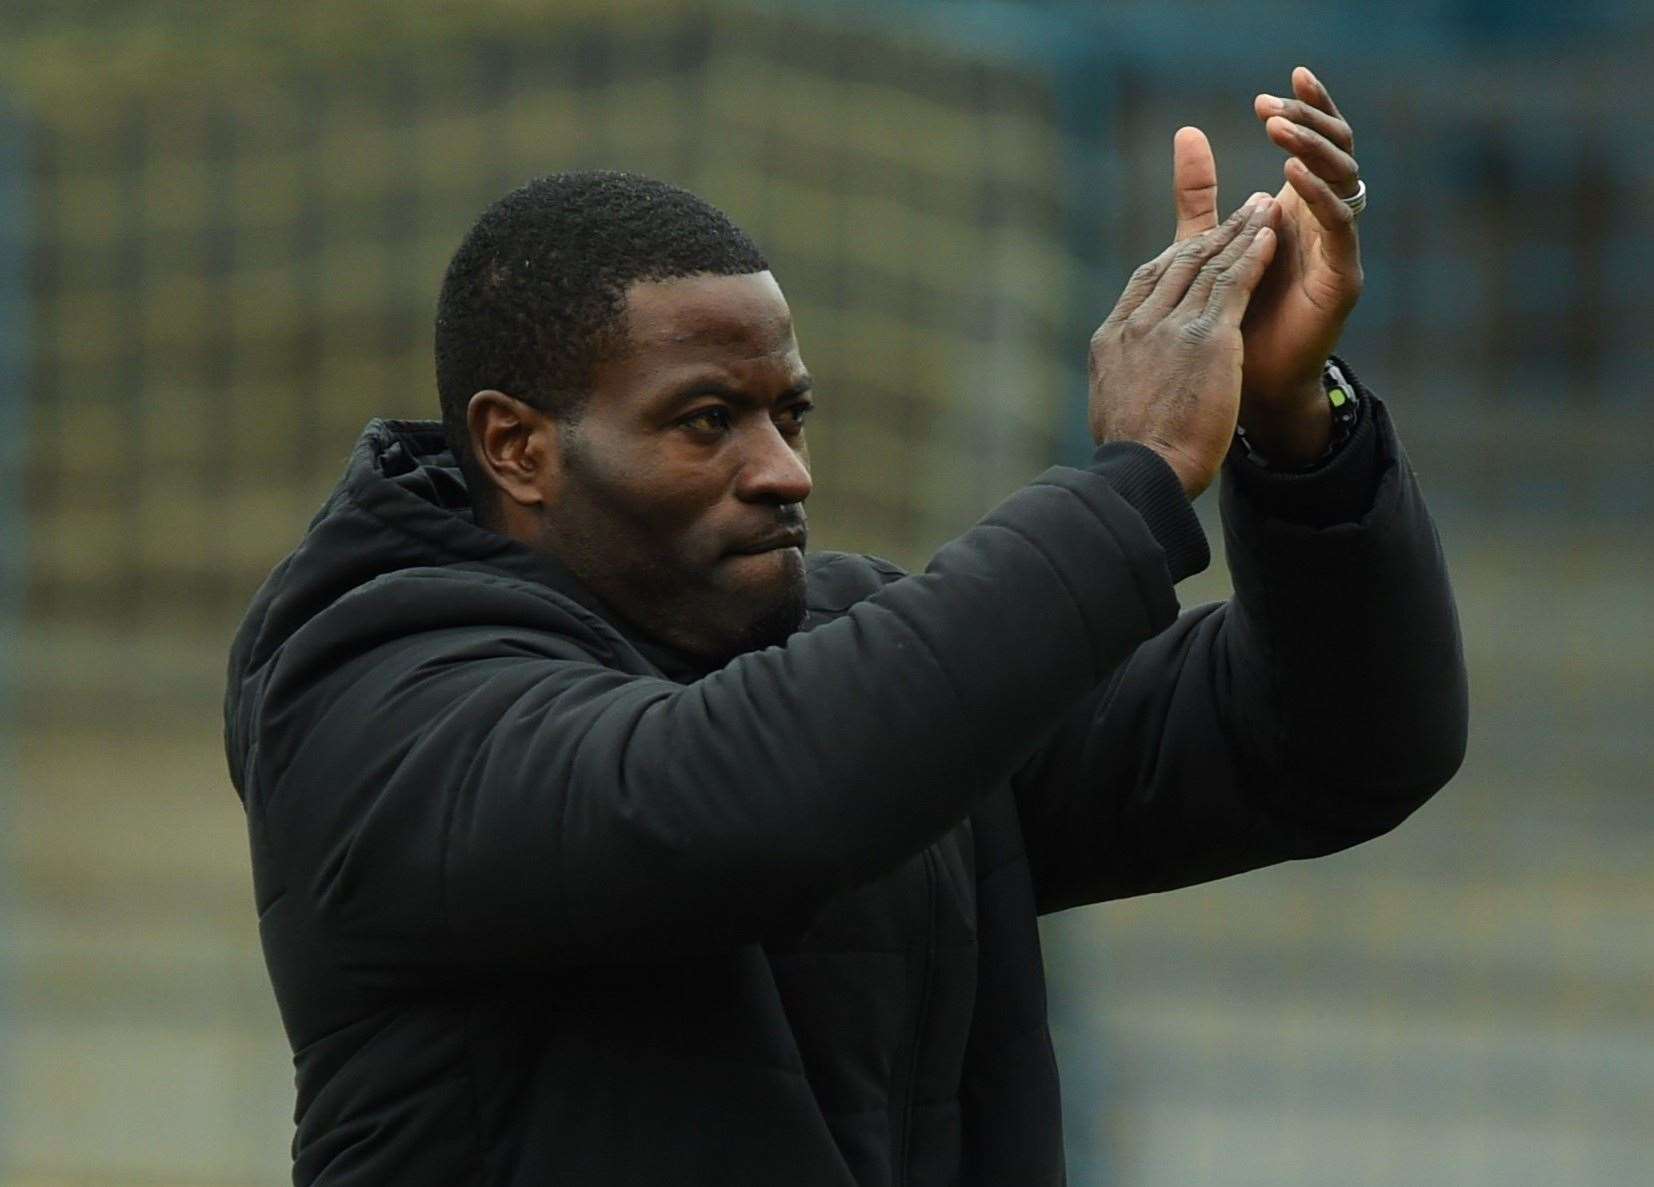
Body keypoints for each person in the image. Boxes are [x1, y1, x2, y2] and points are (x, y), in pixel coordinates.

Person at [225, 67, 1466, 1186]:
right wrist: (1131, 482)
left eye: (790, 413)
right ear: (517, 445)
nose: (783, 471)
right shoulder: (373, 694)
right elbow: (733, 802)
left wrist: (1293, 424)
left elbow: (1341, 743)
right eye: (707, 419)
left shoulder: (859, 662)